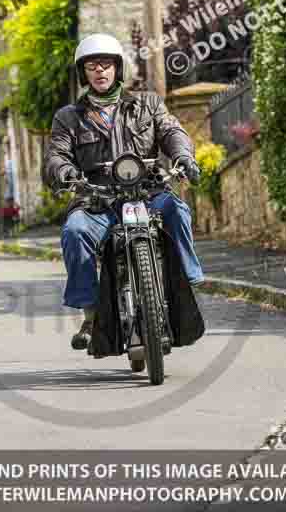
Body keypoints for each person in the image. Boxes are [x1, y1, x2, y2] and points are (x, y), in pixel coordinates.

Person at [43, 33, 204, 351]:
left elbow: (172, 131)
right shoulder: (69, 118)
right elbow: (56, 155)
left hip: (147, 190)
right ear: (84, 73)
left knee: (177, 209)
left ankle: (188, 277)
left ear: (117, 68)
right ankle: (90, 311)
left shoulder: (148, 103)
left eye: (106, 64)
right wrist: (64, 172)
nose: (100, 71)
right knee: (75, 232)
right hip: (97, 199)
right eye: (92, 66)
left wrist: (184, 156)